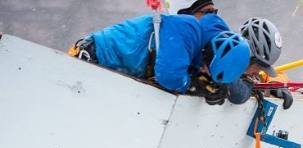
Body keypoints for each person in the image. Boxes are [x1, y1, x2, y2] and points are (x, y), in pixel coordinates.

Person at [68, 9, 250, 102]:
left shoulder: (201, 44)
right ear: (210, 53)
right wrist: (194, 85)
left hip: (110, 66)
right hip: (96, 57)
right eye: (208, 69)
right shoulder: (188, 29)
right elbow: (168, 76)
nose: (205, 71)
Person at [228, 17, 293, 109]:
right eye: (259, 66)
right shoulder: (221, 68)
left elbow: (275, 74)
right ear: (247, 56)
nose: (258, 72)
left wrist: (275, 83)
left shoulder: (246, 69)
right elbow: (237, 95)